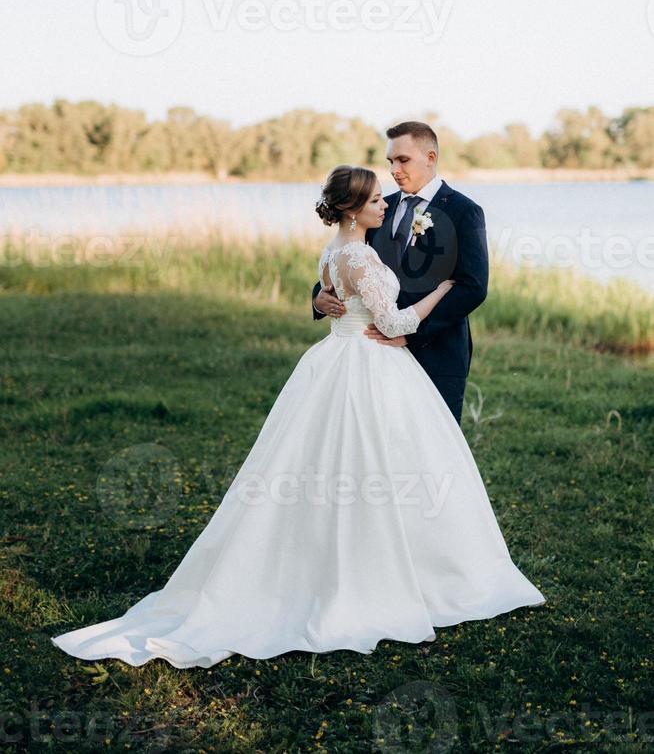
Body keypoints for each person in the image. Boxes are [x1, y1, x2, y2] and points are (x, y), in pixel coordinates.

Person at [50, 164, 544, 670]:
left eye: (388, 186)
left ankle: (379, 563)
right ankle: (382, 575)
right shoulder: (357, 253)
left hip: (339, 360)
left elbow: (351, 289)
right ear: (353, 209)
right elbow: (392, 320)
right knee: (379, 466)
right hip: (370, 364)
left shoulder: (339, 249)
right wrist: (440, 292)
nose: (386, 201)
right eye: (376, 198)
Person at [312, 121, 488, 425]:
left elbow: (472, 286)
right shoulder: (379, 207)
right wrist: (319, 298)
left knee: (433, 446)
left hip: (437, 352)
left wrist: (411, 334)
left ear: (430, 158)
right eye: (390, 161)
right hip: (376, 356)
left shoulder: (464, 211)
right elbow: (350, 264)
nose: (394, 169)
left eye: (403, 160)